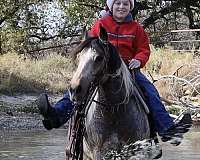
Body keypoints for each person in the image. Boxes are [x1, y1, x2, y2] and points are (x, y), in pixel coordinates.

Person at [37, 0, 192, 145]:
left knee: (150, 91)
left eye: (126, 4)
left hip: (129, 69)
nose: (121, 7)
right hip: (101, 69)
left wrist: (138, 59)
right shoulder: (100, 24)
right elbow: (90, 46)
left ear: (130, 7)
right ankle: (57, 115)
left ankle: (167, 129)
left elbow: (144, 49)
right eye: (118, 3)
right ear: (111, 6)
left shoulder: (136, 28)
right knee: (78, 87)